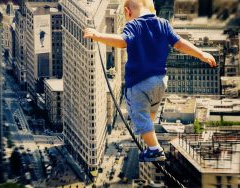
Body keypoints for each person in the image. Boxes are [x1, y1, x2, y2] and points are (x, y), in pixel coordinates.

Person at [83, 0, 216, 162]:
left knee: (138, 114)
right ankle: (150, 134)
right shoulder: (164, 24)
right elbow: (180, 44)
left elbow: (122, 41)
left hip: (138, 84)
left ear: (127, 12)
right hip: (160, 82)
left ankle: (155, 149)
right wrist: (201, 54)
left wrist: (98, 36)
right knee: (150, 111)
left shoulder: (134, 25)